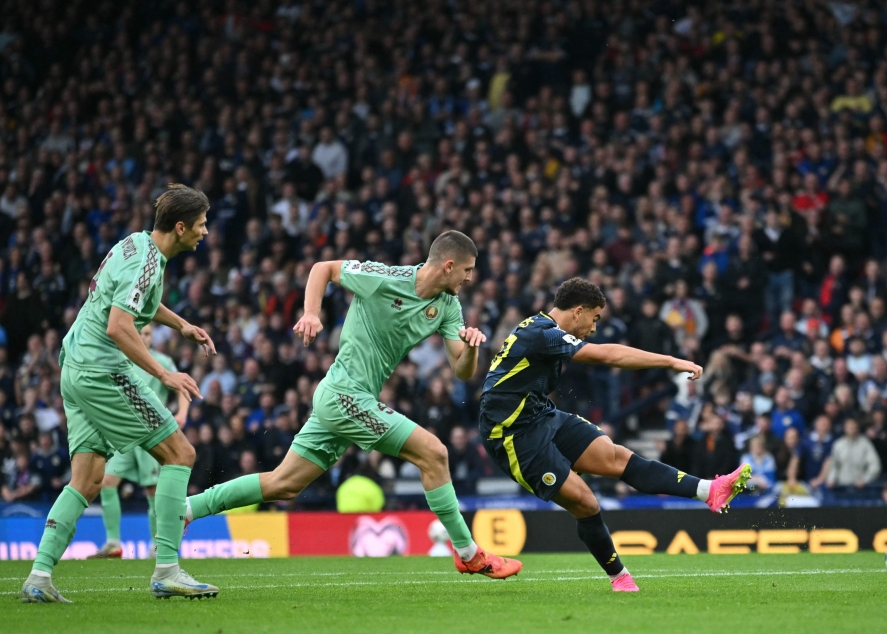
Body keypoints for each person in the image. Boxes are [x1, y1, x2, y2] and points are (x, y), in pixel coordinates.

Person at [184, 231, 521, 579]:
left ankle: (186, 509)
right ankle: (468, 552)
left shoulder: (448, 307)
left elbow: (461, 370)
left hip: (347, 399)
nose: (470, 278)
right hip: (344, 394)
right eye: (467, 270)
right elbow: (322, 268)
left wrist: (472, 347)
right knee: (434, 452)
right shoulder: (384, 278)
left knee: (283, 484)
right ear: (448, 266)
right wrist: (312, 313)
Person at [479, 278, 751, 593]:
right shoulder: (542, 333)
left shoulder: (541, 328)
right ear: (578, 312)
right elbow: (609, 355)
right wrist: (670, 361)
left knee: (615, 456)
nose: (593, 328)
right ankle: (619, 577)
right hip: (512, 434)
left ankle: (710, 490)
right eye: (594, 319)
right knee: (586, 503)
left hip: (540, 414)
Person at [22, 185, 217, 603]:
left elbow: (137, 301)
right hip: (102, 370)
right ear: (180, 227)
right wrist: (164, 374)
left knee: (89, 478)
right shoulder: (148, 262)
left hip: (74, 366)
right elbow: (118, 326)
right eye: (200, 225)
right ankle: (166, 570)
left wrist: (180, 325)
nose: (205, 232)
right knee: (180, 454)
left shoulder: (135, 245)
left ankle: (38, 577)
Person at [89, 323, 190, 558]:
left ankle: (158, 545)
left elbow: (181, 385)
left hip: (152, 433)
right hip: (124, 435)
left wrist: (183, 413)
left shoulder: (161, 362)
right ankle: (113, 542)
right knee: (107, 482)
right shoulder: (120, 361)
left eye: (148, 334)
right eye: (140, 333)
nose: (144, 338)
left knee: (153, 491)